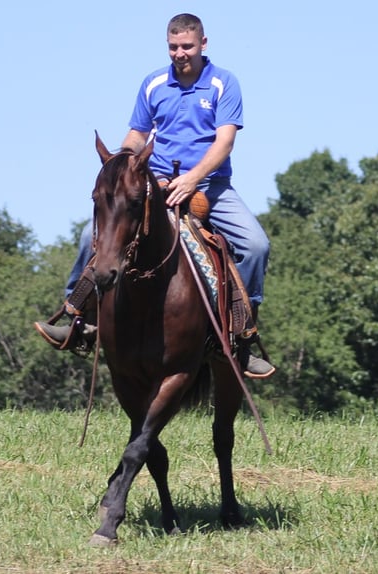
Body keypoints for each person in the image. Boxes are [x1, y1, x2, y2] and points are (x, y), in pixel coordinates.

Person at [35, 13, 274, 378]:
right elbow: (137, 133)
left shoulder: (224, 83)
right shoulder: (154, 83)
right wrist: (124, 162)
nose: (181, 53)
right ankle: (78, 319)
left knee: (256, 245)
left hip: (210, 185)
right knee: (91, 235)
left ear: (203, 44)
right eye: (174, 47)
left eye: (188, 46)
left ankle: (239, 336)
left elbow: (225, 141)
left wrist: (193, 178)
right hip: (155, 183)